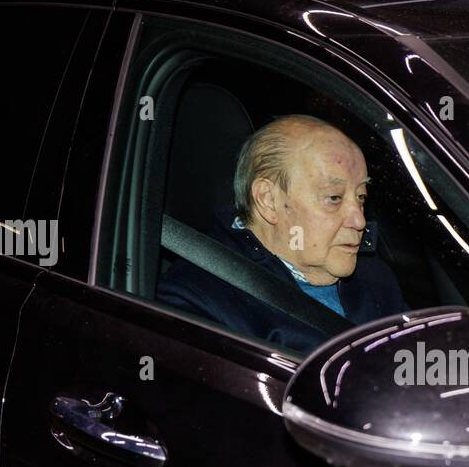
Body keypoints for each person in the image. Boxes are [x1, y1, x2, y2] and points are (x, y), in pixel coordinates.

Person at [158, 114, 406, 351]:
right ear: (268, 200)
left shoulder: (376, 277)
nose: (359, 220)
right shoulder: (199, 300)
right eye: (333, 197)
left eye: (361, 196)